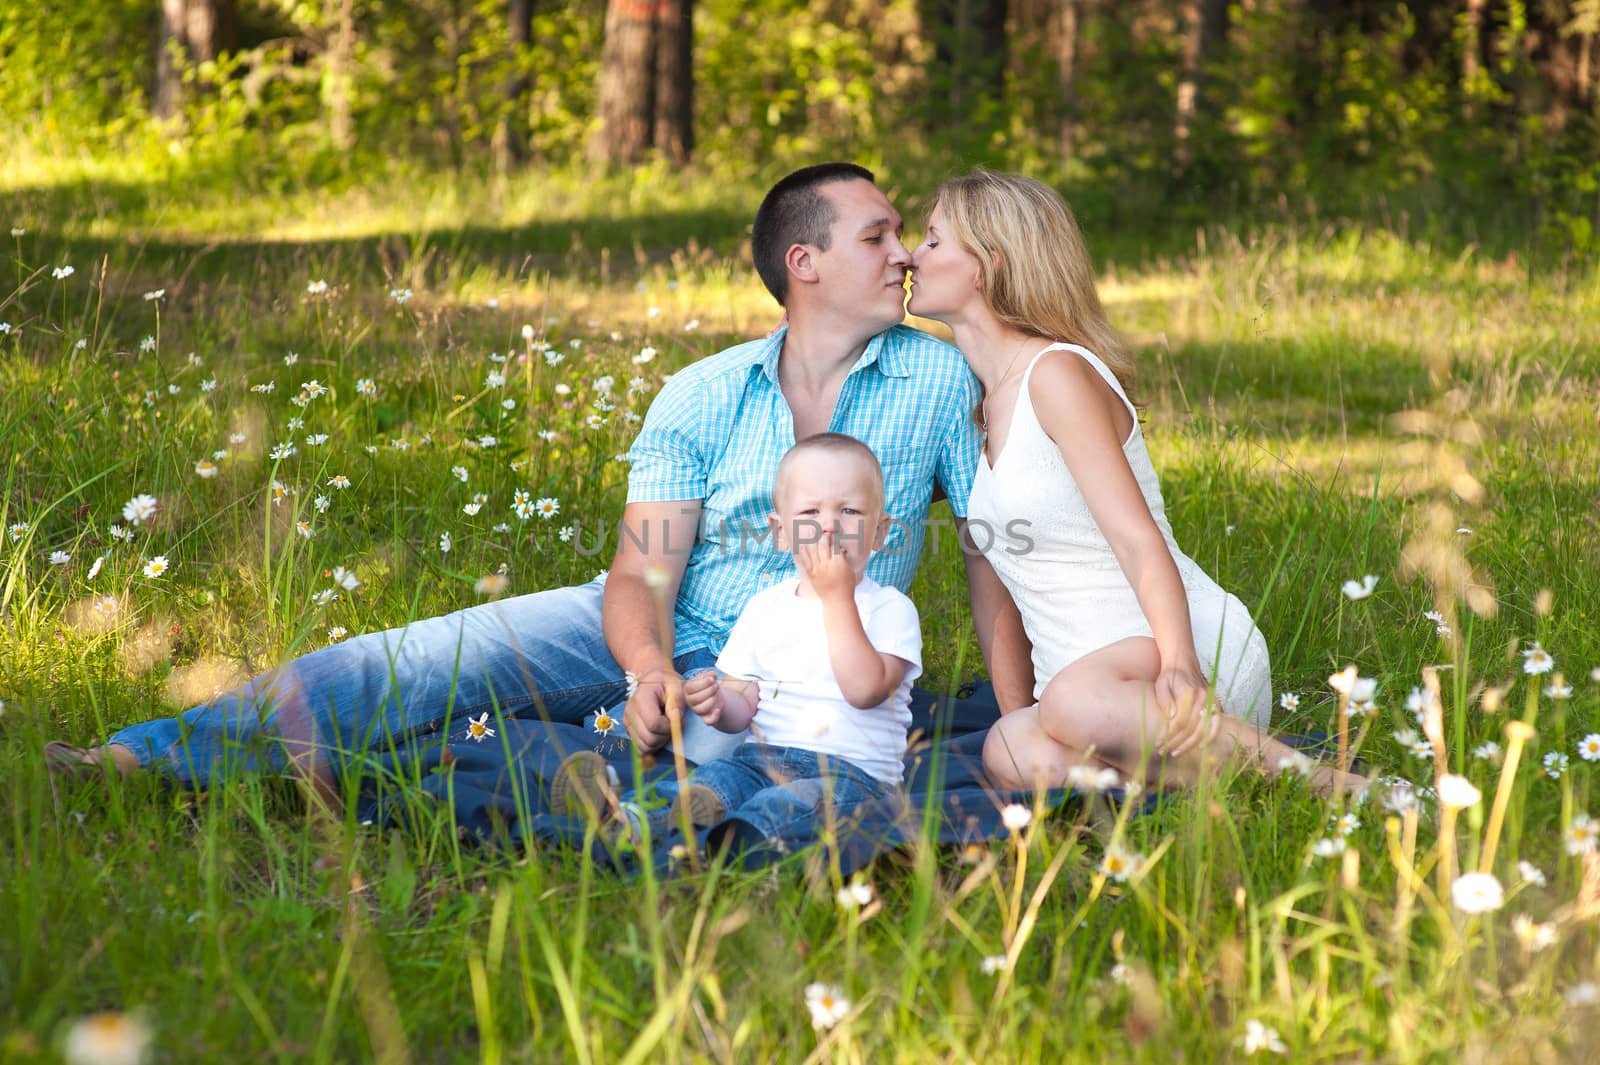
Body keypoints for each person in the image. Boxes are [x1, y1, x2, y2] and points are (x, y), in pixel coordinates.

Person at [46, 162, 1031, 792]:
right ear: (804, 262)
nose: (903, 255)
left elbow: (990, 558)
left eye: (903, 235)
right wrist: (650, 671)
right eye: (879, 236)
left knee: (566, 748)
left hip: (809, 668)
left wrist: (1018, 714)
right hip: (667, 633)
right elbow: (641, 573)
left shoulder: (940, 379)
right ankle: (147, 757)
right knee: (420, 662)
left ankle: (609, 744)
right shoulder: (700, 395)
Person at [904, 169, 1364, 795]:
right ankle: (1194, 785)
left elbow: (1137, 539)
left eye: (932, 240)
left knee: (1069, 702)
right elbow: (995, 583)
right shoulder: (982, 407)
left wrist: (1180, 666)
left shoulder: (1056, 374)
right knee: (1008, 747)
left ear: (987, 265)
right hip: (1089, 697)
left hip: (1174, 653)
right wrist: (1020, 714)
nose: (911, 255)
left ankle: (1326, 785)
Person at [548, 433, 920, 839]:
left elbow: (864, 689)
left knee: (790, 803)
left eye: (849, 510)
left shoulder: (889, 609)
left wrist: (837, 599)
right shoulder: (765, 607)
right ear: (781, 532)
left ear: (880, 532)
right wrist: (718, 704)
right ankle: (623, 815)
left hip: (854, 778)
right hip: (763, 758)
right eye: (810, 512)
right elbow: (743, 702)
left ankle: (730, 838)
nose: (828, 526)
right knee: (714, 780)